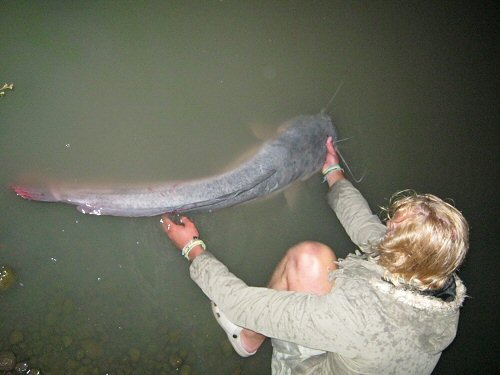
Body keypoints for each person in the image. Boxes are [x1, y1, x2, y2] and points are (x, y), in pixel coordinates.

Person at [161, 136, 469, 375]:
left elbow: (242, 304)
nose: (385, 226)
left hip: (323, 360)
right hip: (362, 349)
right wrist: (333, 172)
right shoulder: (436, 282)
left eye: (392, 229)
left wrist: (193, 249)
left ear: (402, 253)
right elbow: (367, 229)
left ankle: (248, 338)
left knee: (303, 260)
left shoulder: (356, 318)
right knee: (316, 259)